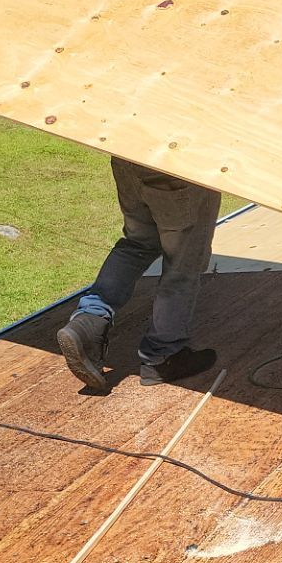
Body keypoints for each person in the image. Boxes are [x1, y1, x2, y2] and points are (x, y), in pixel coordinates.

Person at [56, 160, 221, 390]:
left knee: (138, 243)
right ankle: (164, 354)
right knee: (183, 263)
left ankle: (89, 320)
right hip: (181, 165)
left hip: (130, 160)